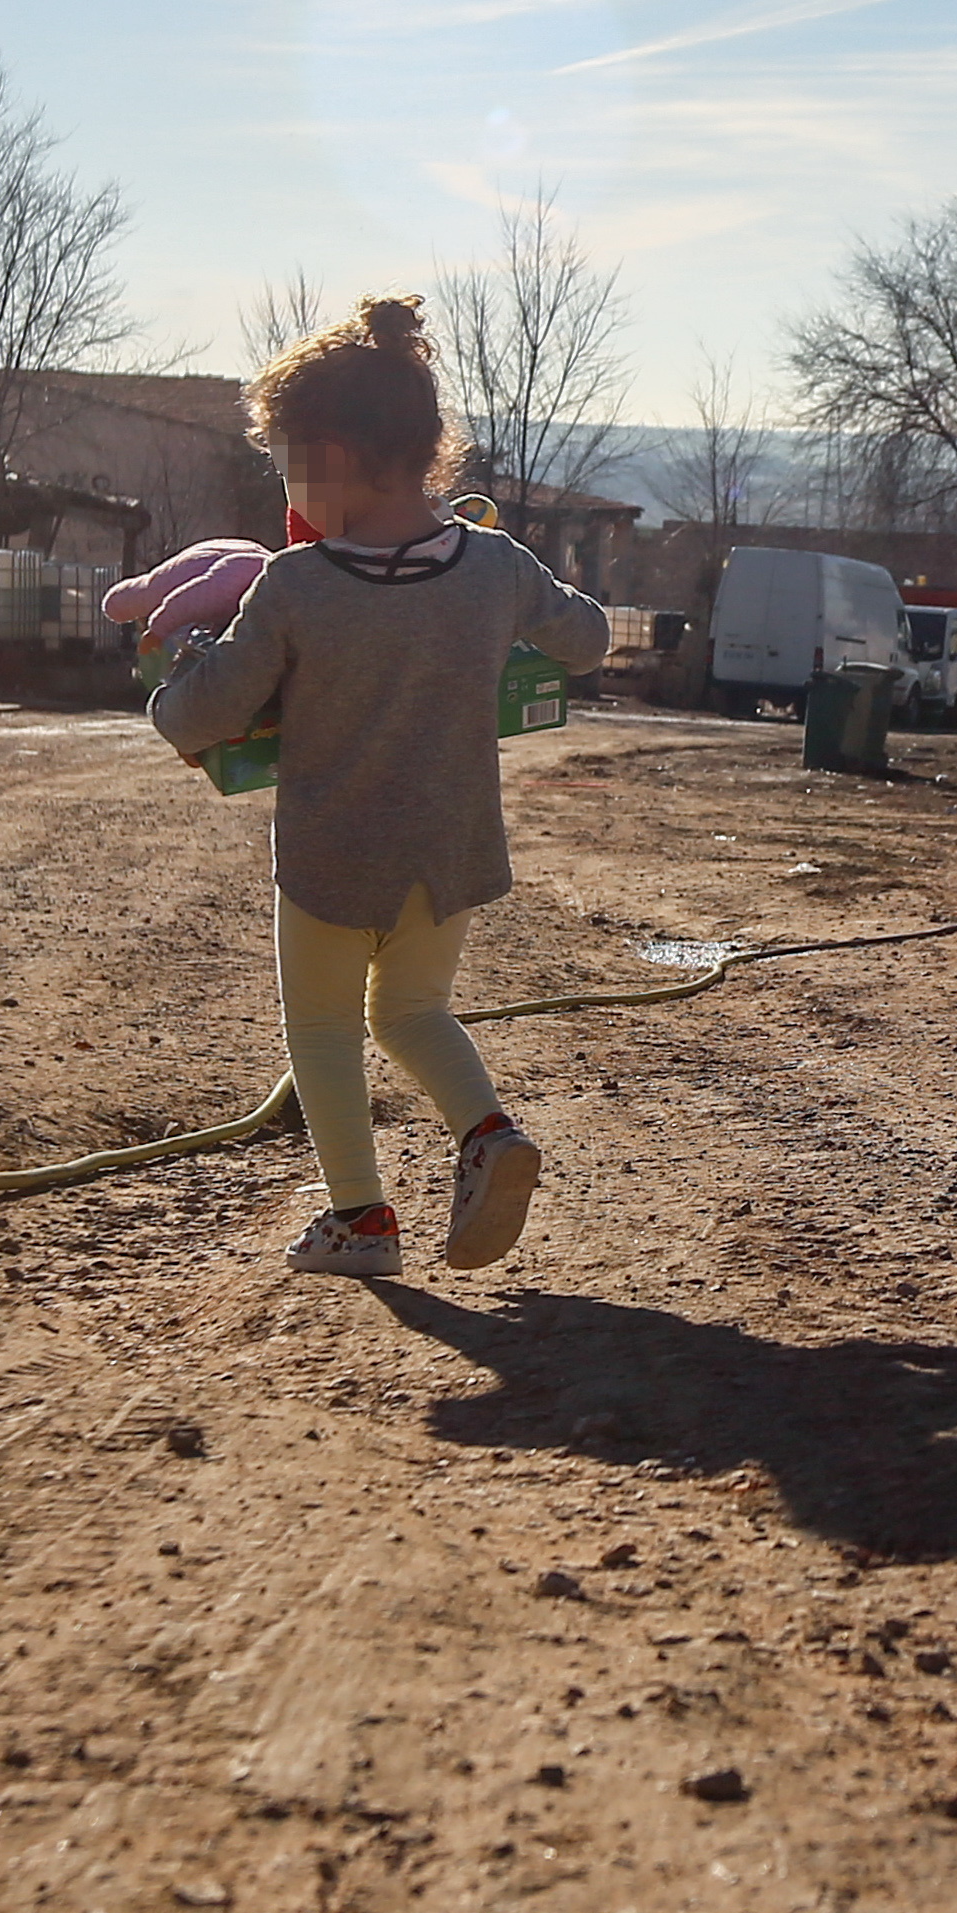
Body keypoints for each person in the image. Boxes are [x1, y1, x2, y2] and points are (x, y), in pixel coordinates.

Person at [147, 296, 615, 1279]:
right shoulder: (495, 565)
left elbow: (204, 717)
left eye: (284, 465)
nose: (285, 489)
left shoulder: (294, 586)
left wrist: (177, 671)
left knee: (319, 1027)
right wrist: (522, 615)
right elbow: (588, 639)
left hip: (331, 859)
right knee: (410, 1012)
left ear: (329, 456)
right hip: (448, 852)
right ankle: (486, 1134)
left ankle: (360, 1219)